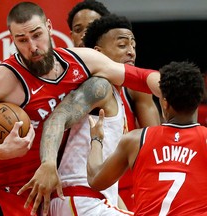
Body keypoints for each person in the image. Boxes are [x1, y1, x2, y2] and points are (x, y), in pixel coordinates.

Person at [0, 2, 160, 215]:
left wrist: (178, 88)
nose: (32, 47)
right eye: (22, 40)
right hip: (0, 189)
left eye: (36, 35)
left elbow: (141, 77)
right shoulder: (1, 80)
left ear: (49, 27)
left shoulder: (81, 62)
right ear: (12, 39)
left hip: (41, 189)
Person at [87, 61, 207, 215]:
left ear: (164, 103)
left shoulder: (136, 140)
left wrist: (96, 140)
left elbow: (95, 180)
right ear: (199, 99)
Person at [83, 14, 160, 211]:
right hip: (92, 189)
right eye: (122, 45)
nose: (131, 52)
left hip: (127, 187)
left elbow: (155, 145)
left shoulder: (133, 89)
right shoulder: (92, 89)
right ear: (96, 51)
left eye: (132, 45)